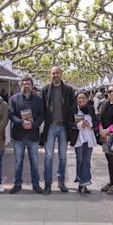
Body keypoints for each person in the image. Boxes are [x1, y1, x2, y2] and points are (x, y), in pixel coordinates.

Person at [8, 76, 45, 194]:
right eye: (24, 84)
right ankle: (17, 184)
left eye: (28, 84)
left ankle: (36, 185)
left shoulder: (38, 100)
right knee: (18, 162)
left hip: (33, 136)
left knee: (34, 161)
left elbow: (42, 115)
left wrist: (33, 124)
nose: (26, 86)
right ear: (21, 85)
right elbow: (11, 115)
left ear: (32, 85)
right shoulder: (13, 99)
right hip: (18, 135)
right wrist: (21, 122)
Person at [41, 66, 74, 194]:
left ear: (61, 74)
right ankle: (48, 183)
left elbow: (72, 107)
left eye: (57, 73)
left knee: (63, 156)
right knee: (48, 156)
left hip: (63, 127)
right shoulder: (45, 90)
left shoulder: (69, 90)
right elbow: (42, 108)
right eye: (53, 73)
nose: (55, 75)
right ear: (51, 74)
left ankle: (61, 181)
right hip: (50, 127)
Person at [69, 91, 97, 194]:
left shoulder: (91, 109)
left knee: (87, 161)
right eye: (79, 98)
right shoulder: (72, 109)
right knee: (80, 160)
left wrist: (90, 123)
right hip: (78, 139)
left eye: (83, 98)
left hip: (89, 138)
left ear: (86, 99)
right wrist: (78, 125)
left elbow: (96, 122)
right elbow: (68, 123)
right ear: (76, 99)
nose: (81, 100)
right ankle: (81, 180)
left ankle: (83, 184)